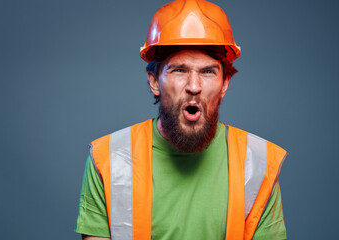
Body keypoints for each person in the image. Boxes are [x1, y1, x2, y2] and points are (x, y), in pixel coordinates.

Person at [75, 0, 288, 239]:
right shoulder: (109, 159)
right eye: (179, 70)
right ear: (154, 82)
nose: (194, 87)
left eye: (208, 71)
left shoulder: (258, 164)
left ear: (225, 83)